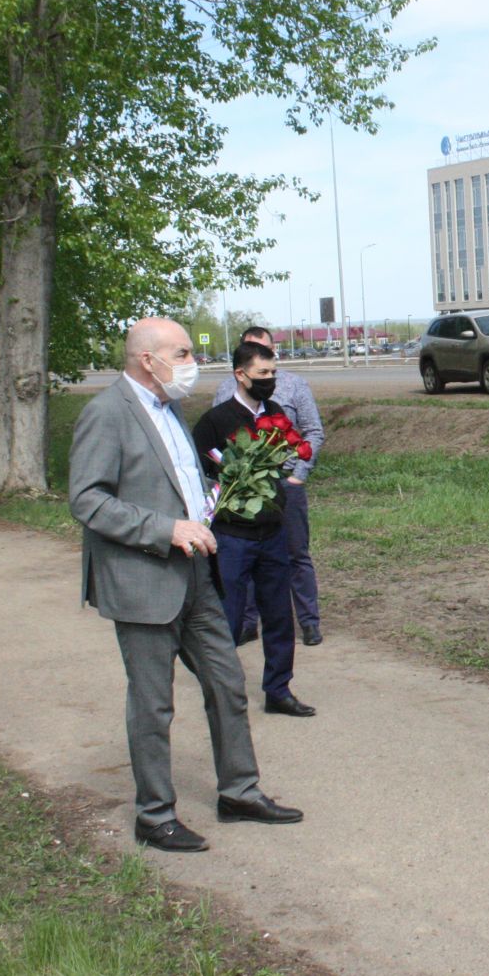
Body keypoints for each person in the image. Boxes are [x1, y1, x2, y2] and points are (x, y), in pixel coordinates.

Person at [68, 318, 301, 852]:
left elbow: (179, 482)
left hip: (196, 575)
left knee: (227, 684)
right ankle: (154, 816)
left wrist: (213, 502)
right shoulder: (107, 414)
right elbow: (87, 500)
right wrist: (166, 529)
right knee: (154, 705)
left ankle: (239, 792)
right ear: (148, 360)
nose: (193, 361)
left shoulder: (170, 410)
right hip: (143, 581)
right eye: (184, 352)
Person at [193, 340, 314, 719]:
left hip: (272, 531)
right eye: (262, 374)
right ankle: (224, 694)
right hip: (232, 536)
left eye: (273, 373)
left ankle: (278, 689)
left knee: (278, 615)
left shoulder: (276, 412)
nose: (269, 380)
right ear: (240, 375)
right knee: (227, 617)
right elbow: (199, 468)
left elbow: (288, 453)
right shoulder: (217, 419)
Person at [236, 326, 326, 650]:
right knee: (245, 555)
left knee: (296, 554)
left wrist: (298, 474)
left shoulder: (292, 385)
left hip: (286, 486)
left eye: (265, 350)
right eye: (251, 349)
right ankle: (247, 623)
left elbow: (313, 431)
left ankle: (309, 622)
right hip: (246, 489)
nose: (260, 356)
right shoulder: (226, 390)